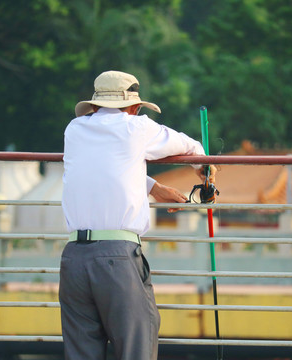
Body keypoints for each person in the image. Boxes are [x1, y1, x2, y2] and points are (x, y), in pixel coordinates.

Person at [59, 70, 216, 360]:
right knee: (137, 347)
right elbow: (191, 146)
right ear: (133, 108)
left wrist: (153, 187)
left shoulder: (75, 130)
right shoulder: (137, 127)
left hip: (73, 258)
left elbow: (104, 169)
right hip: (116, 258)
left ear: (93, 107)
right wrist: (202, 168)